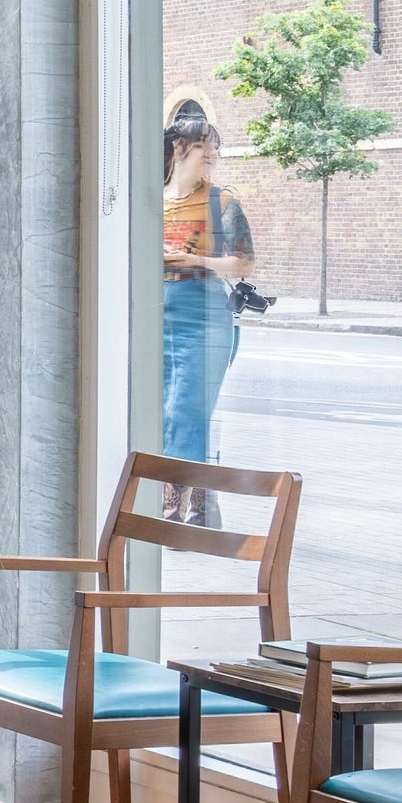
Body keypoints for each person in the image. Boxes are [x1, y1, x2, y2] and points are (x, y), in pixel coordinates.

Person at [158, 97, 253, 503]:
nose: (213, 154)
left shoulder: (223, 203)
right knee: (159, 409)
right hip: (155, 316)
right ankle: (185, 494)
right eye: (204, 147)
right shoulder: (149, 201)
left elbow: (245, 264)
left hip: (204, 317)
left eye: (216, 147)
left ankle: (188, 495)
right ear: (180, 150)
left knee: (189, 410)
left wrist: (197, 259)